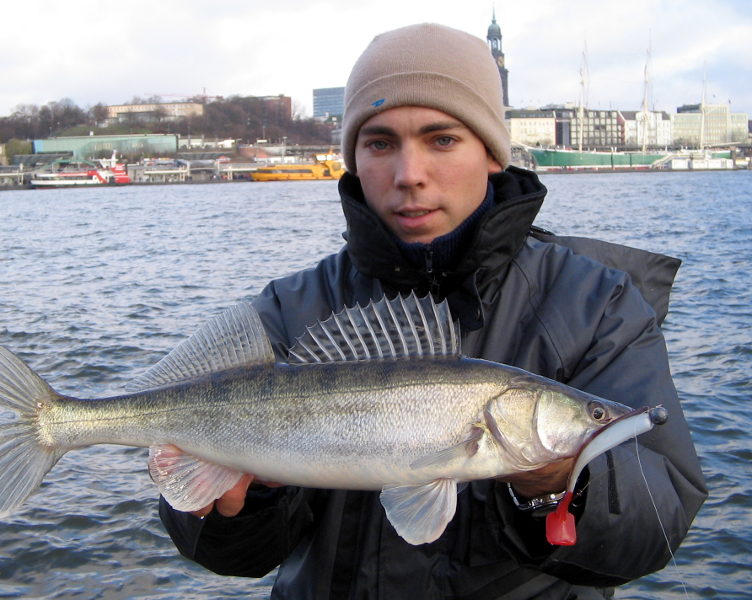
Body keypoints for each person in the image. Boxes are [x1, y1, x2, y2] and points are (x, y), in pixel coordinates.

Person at [159, 23, 706, 599]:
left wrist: (557, 487)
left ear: (492, 153)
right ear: (354, 158)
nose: (408, 174)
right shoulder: (286, 308)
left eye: (442, 139)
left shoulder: (599, 303)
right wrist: (239, 504)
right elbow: (229, 555)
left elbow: (656, 531)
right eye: (379, 143)